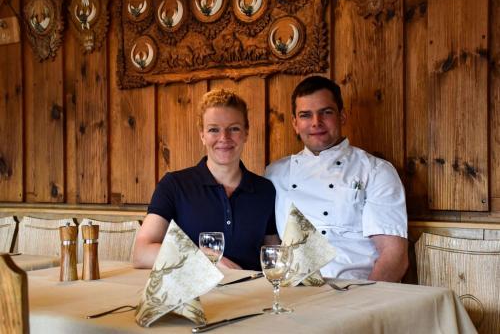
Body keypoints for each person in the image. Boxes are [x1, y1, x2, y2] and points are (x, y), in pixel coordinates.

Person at [265, 76, 408, 281]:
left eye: (326, 112)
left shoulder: (376, 171)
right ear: (295, 124)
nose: (316, 123)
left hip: (355, 291)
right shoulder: (275, 174)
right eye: (306, 115)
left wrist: (366, 306)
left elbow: (394, 257)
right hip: (294, 294)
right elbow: (269, 244)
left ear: (341, 116)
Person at [133, 89, 279, 270]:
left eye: (234, 128)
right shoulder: (174, 185)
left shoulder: (265, 190)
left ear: (246, 133)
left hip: (255, 294)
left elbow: (273, 256)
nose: (224, 138)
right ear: (202, 135)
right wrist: (208, 261)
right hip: (195, 297)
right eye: (213, 130)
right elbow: (141, 253)